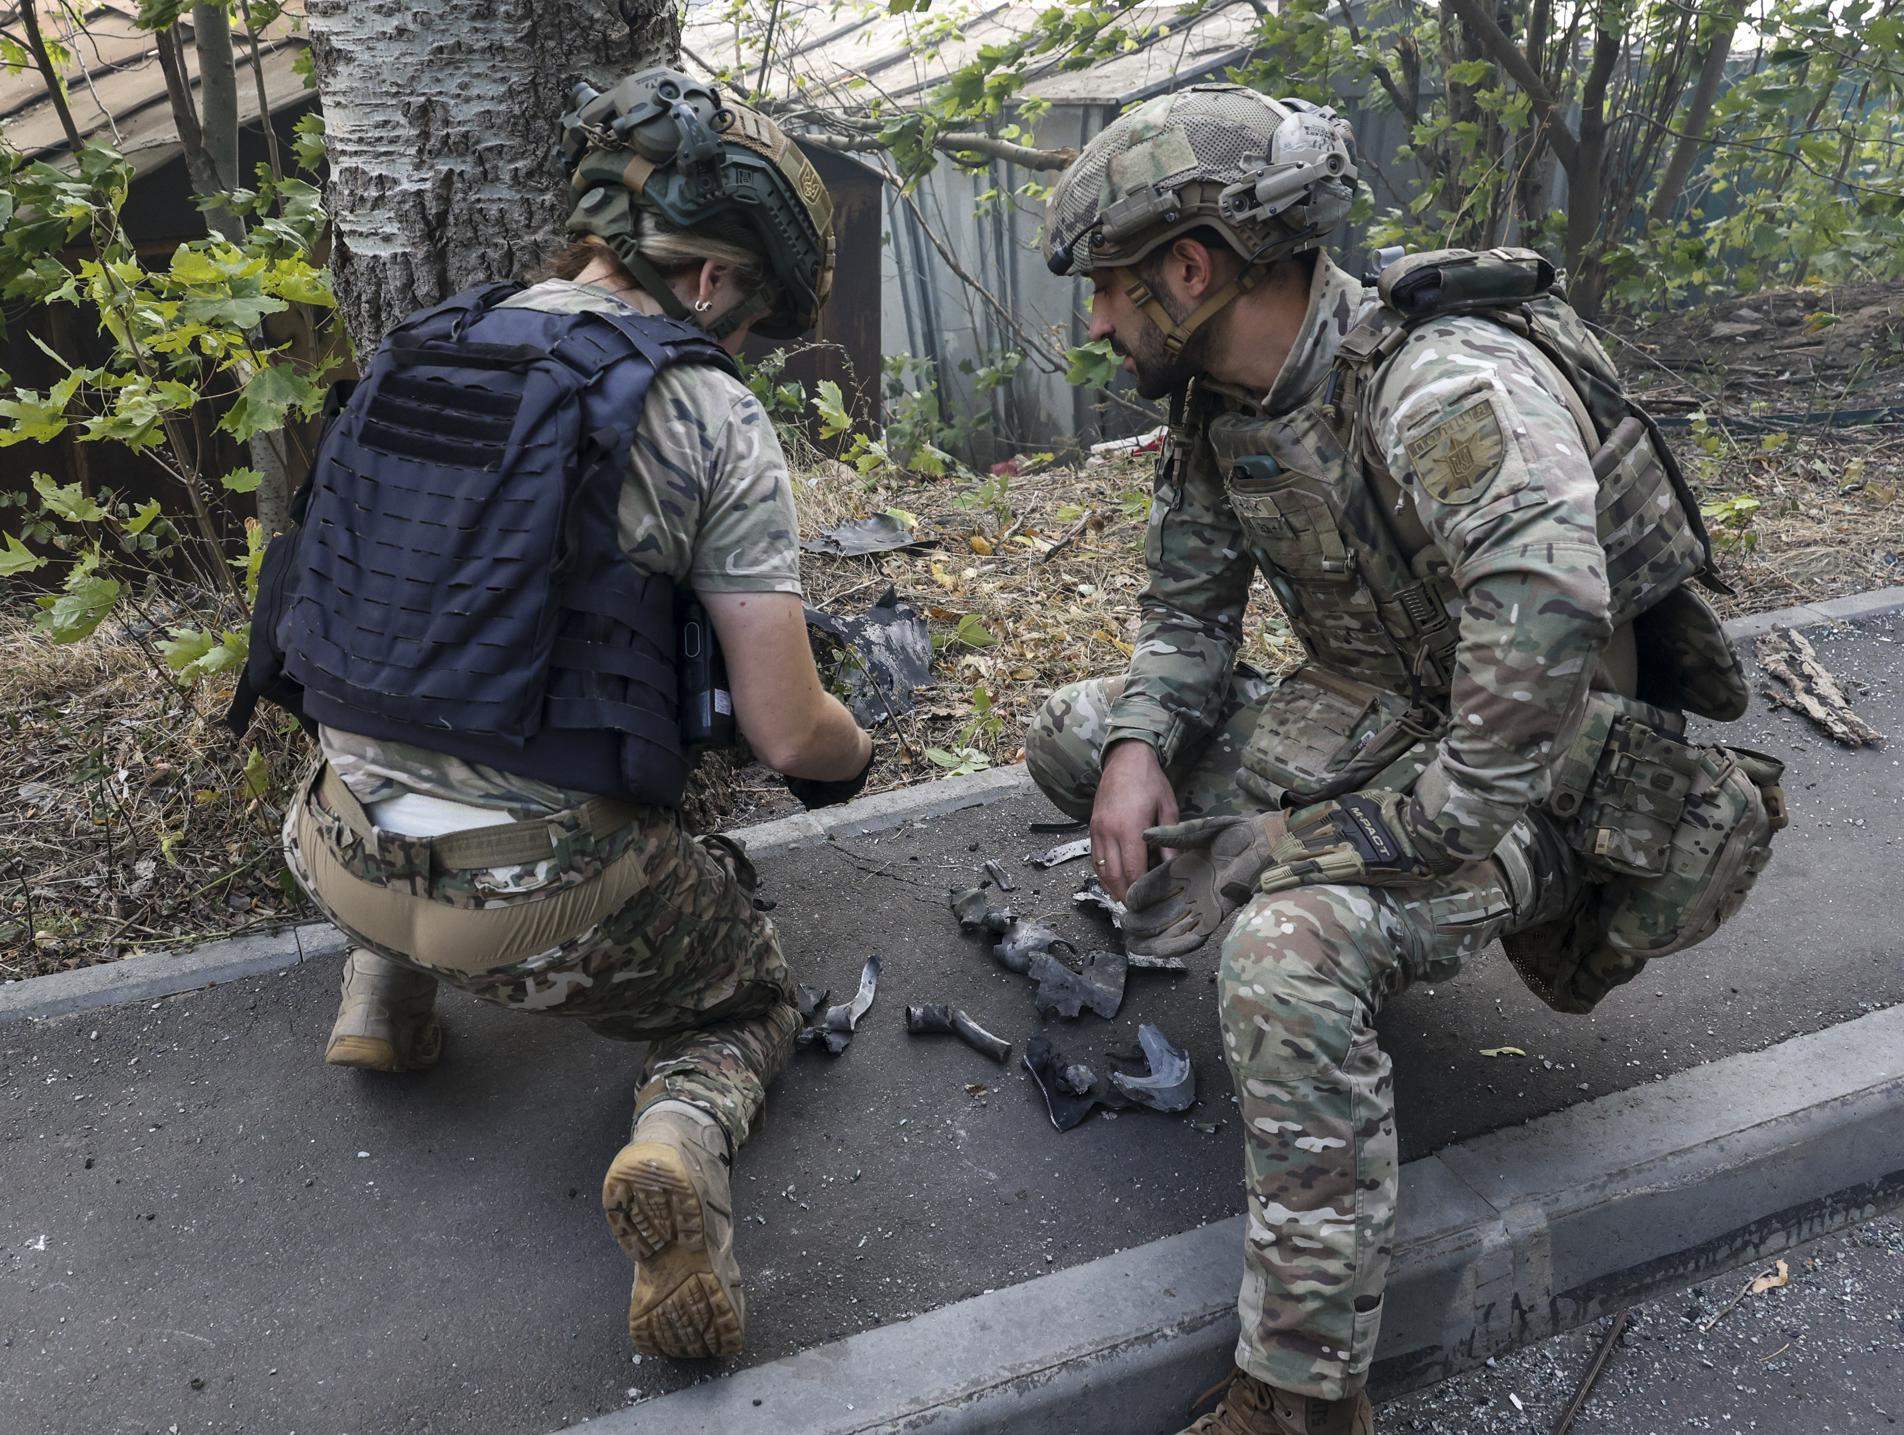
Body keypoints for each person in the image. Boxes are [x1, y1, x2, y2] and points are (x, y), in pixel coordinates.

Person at [1026, 85, 1783, 1434]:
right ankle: (1321, 926)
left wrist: (1327, 854)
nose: (1096, 321)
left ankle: (1303, 1395)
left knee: (1288, 951)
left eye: (1107, 288)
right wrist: (1145, 746)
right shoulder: (1224, 398)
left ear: (1190, 271)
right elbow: (1188, 608)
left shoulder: (1443, 387)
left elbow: (1552, 621)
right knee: (1076, 739)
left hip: (1535, 783)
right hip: (1378, 723)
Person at [250, 67, 872, 1362]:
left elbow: (323, 632)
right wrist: (853, 745)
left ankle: (386, 997)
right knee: (744, 1002)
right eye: (752, 322)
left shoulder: (418, 347)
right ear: (713, 282)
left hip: (333, 849)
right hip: (538, 903)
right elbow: (786, 729)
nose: (742, 352)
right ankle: (677, 1146)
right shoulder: (701, 408)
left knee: (432, 734)